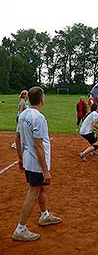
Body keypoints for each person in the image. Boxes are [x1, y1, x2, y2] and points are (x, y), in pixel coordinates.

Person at [12, 86, 62, 242]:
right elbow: (38, 145)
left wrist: (20, 159)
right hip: (36, 163)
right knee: (33, 192)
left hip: (28, 159)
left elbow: (17, 138)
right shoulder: (39, 117)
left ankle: (44, 215)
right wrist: (45, 171)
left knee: (40, 189)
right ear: (41, 99)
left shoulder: (23, 115)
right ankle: (20, 229)